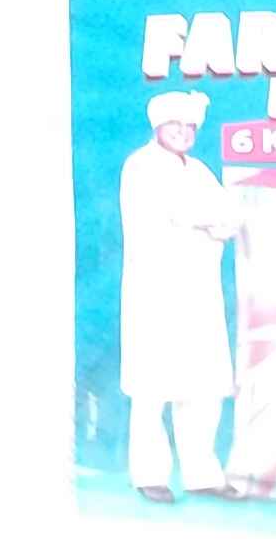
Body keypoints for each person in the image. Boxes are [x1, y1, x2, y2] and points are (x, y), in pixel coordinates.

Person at [118, 91, 238, 502]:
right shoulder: (141, 166)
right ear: (158, 127)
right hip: (157, 290)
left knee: (203, 384)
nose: (184, 133)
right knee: (153, 386)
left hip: (200, 289)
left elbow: (229, 217)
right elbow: (182, 212)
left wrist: (211, 221)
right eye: (176, 125)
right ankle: (150, 474)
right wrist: (206, 220)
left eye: (190, 127)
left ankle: (202, 475)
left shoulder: (200, 170)